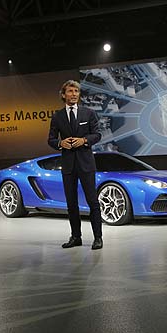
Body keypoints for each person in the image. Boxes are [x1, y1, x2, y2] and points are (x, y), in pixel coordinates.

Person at [47, 80, 103, 250]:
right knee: (71, 203)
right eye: (70, 91)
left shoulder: (89, 113)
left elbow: (97, 135)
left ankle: (98, 238)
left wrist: (84, 140)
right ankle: (76, 237)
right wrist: (60, 144)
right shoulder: (57, 116)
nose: (74, 94)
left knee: (92, 201)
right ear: (63, 95)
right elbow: (51, 139)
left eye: (76, 91)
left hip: (86, 164)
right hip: (68, 165)